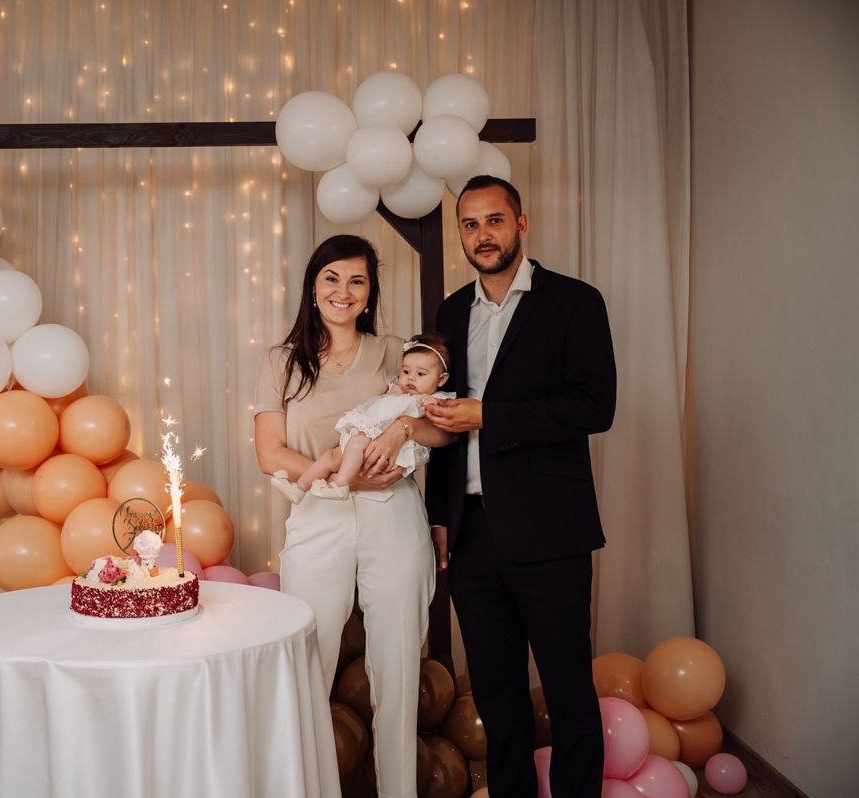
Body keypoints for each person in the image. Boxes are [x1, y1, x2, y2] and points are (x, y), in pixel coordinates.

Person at [423, 175, 616, 798]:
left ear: (521, 224)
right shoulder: (451, 310)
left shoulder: (575, 302)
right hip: (472, 533)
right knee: (497, 694)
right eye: (470, 224)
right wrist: (438, 516)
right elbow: (442, 416)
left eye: (495, 221)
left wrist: (490, 416)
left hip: (551, 528)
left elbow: (595, 406)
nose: (482, 235)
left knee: (568, 691)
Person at [253, 234, 445, 798]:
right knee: (306, 664)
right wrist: (343, 474)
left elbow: (440, 426)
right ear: (313, 287)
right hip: (319, 514)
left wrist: (402, 427)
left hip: (393, 515)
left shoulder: (394, 351)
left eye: (357, 280)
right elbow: (269, 453)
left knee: (398, 669)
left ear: (370, 292)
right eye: (332, 278)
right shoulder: (281, 361)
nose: (344, 291)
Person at [270, 333, 455, 503]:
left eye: (421, 374)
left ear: (441, 379)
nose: (411, 378)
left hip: (384, 448)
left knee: (355, 445)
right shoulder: (399, 391)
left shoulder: (432, 400)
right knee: (329, 456)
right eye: (406, 372)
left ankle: (341, 484)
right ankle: (299, 488)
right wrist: (395, 391)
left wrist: (430, 404)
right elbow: (381, 405)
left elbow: (443, 427)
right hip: (368, 436)